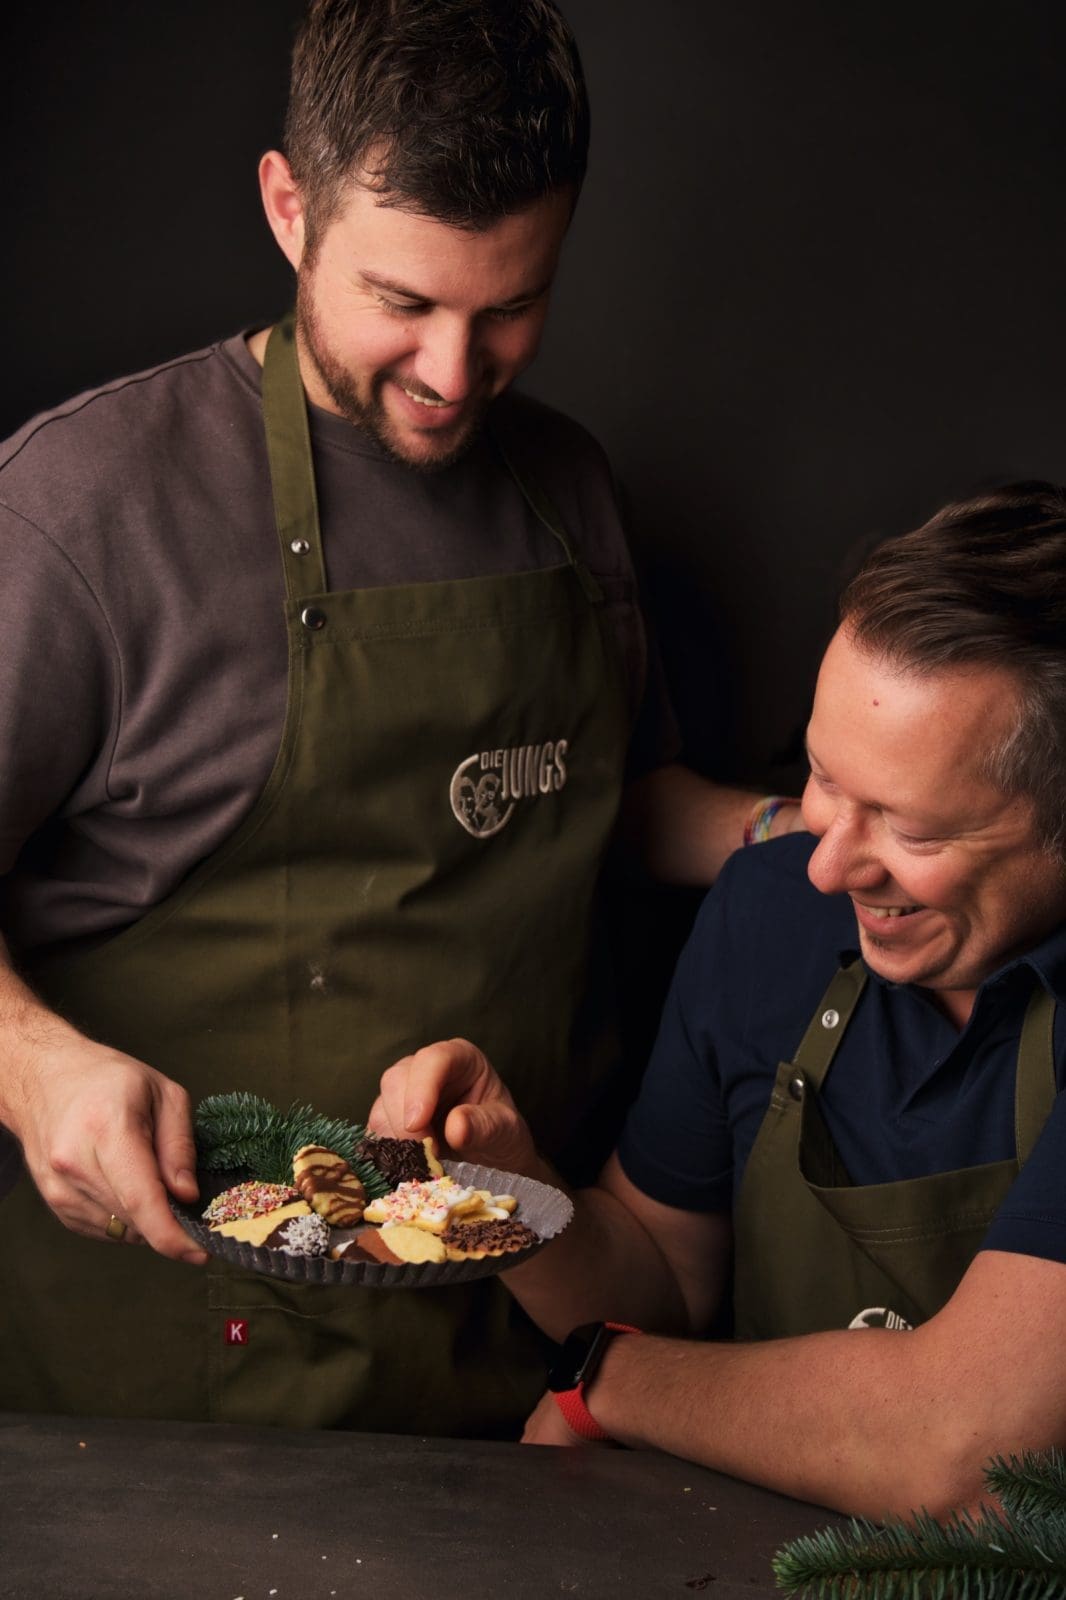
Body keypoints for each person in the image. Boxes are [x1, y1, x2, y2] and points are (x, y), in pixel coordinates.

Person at [0, 0, 798, 1431]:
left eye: (508, 308)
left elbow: (596, 794)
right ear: (288, 207)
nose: (450, 373)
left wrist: (809, 831)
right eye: (401, 302)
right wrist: (30, 1064)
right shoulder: (83, 510)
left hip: (525, 1358)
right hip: (178, 1390)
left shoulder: (565, 485)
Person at [371, 481, 1066, 1513]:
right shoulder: (770, 913)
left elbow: (970, 1453)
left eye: (910, 831)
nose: (828, 869)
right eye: (826, 781)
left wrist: (610, 1381)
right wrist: (498, 1189)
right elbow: (661, 1279)